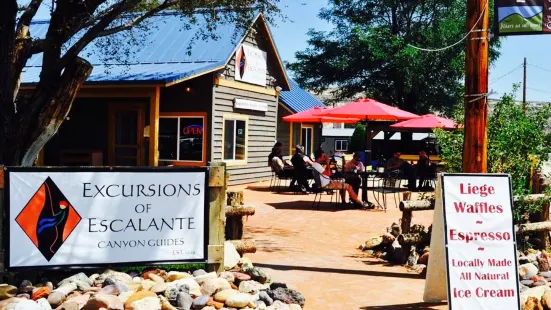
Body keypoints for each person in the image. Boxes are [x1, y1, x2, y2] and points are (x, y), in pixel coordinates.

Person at [301, 152, 372, 208]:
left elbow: (326, 173)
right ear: (320, 157)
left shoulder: (317, 165)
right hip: (327, 184)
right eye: (324, 156)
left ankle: (347, 202)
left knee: (343, 183)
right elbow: (328, 173)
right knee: (349, 187)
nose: (325, 157)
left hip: (327, 182)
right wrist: (328, 164)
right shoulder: (317, 165)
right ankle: (361, 203)